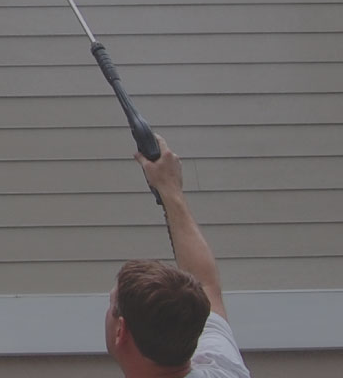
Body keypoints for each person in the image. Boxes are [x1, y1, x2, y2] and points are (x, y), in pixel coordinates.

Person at [104, 136, 250, 377]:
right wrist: (169, 189)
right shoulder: (223, 369)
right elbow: (207, 284)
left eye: (111, 305)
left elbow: (207, 288)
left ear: (121, 331)